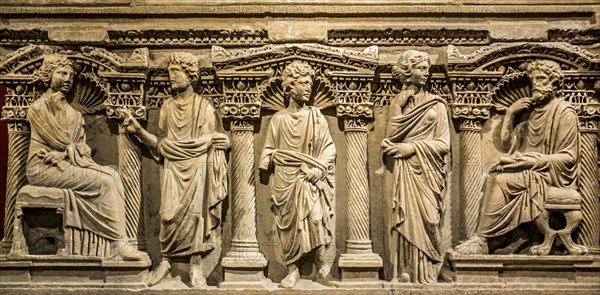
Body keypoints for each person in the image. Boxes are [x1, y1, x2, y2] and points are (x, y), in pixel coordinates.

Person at [119, 52, 229, 287]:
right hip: (171, 167)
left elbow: (209, 141)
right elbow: (161, 145)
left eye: (175, 71)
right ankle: (166, 261)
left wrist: (220, 143)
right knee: (167, 215)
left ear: (190, 75)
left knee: (196, 216)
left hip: (197, 167)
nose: (171, 77)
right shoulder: (167, 107)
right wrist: (137, 130)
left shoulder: (204, 107)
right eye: (169, 72)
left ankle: (196, 265)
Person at [454, 60, 583, 255]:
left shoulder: (564, 112)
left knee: (500, 181)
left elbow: (569, 157)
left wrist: (533, 161)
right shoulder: (530, 112)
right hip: (528, 169)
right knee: (494, 172)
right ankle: (502, 236)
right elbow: (507, 145)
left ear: (555, 83)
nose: (536, 85)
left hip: (549, 174)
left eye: (541, 79)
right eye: (533, 80)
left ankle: (484, 239)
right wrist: (510, 114)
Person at [26, 54, 147, 261]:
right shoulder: (38, 107)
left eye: (71, 76)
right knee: (105, 183)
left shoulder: (74, 114)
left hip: (64, 164)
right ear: (48, 75)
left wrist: (65, 153)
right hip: (42, 168)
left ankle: (115, 242)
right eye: (62, 73)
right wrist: (65, 145)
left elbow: (82, 148)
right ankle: (119, 242)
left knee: (113, 175)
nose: (67, 79)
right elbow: (58, 139)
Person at [259, 61, 336, 288]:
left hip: (308, 177)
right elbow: (269, 149)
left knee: (315, 218)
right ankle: (292, 269)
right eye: (303, 83)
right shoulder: (279, 119)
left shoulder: (316, 116)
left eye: (310, 83)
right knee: (287, 225)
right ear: (290, 88)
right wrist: (269, 160)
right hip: (285, 179)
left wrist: (319, 168)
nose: (308, 87)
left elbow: (330, 147)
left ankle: (322, 267)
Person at [382, 50, 450, 284]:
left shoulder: (437, 104)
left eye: (427, 69)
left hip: (430, 171)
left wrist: (410, 148)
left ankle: (432, 269)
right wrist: (397, 108)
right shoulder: (398, 103)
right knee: (405, 218)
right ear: (407, 72)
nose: (426, 73)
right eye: (421, 68)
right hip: (406, 171)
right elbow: (391, 136)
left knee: (430, 220)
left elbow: (444, 143)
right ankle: (406, 270)